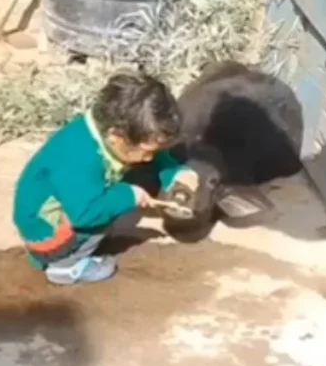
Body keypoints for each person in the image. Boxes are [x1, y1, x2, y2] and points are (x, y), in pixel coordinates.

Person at [12, 70, 199, 285]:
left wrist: (175, 174)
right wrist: (129, 195)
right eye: (146, 151)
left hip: (72, 201)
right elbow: (85, 214)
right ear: (115, 136)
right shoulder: (78, 157)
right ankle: (66, 265)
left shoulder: (109, 135)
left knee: (124, 184)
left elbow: (155, 155)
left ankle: (68, 250)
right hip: (46, 230)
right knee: (101, 213)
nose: (149, 158)